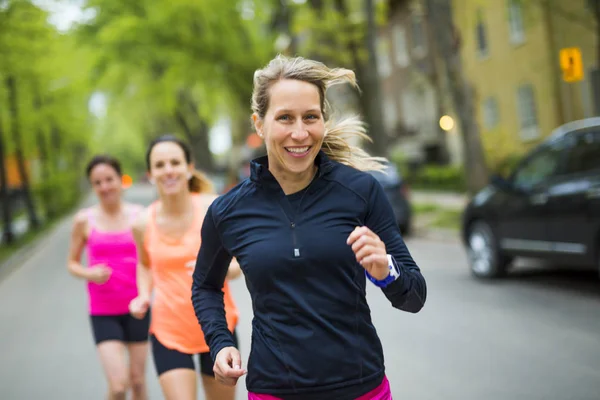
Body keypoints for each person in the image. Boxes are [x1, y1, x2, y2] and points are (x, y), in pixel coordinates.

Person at [191, 55, 427, 400]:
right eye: (285, 118)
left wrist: (385, 270)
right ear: (259, 124)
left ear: (323, 120)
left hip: (360, 388)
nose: (299, 133)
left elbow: (414, 296)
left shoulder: (360, 192)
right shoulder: (229, 210)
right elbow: (205, 286)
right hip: (274, 389)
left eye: (310, 117)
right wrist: (220, 342)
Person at [128, 135, 241, 400]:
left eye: (175, 162)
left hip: (217, 328)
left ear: (189, 168)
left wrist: (213, 269)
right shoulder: (142, 223)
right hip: (169, 330)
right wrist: (143, 294)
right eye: (160, 165)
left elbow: (238, 264)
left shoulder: (213, 209)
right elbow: (145, 265)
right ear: (150, 174)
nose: (168, 170)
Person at [67, 155, 148, 400]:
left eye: (109, 180)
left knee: (138, 381)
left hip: (138, 307)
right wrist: (88, 272)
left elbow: (151, 259)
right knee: (118, 386)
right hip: (103, 311)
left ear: (120, 180)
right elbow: (71, 263)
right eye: (97, 182)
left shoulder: (140, 215)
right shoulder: (84, 220)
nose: (104, 187)